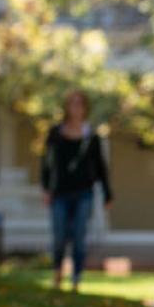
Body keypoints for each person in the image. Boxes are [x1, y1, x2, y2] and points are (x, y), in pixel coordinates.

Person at [40, 90, 113, 292]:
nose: (76, 107)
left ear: (85, 108)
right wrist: (46, 188)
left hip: (84, 192)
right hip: (59, 192)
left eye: (80, 103)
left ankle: (76, 278)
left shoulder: (92, 137)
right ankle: (57, 272)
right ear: (67, 107)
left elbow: (101, 167)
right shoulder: (55, 134)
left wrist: (107, 193)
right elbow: (46, 163)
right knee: (59, 236)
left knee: (80, 237)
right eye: (72, 103)